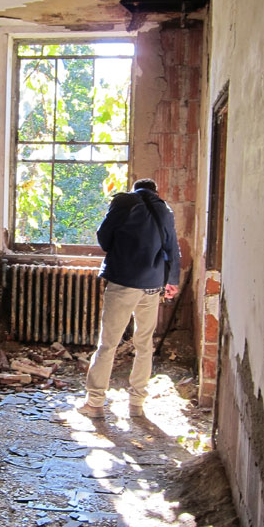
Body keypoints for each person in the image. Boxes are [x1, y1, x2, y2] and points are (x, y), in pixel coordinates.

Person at [77, 178, 181, 419]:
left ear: (136, 189)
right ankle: (136, 404)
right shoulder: (164, 209)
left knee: (108, 344)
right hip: (153, 285)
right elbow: (172, 248)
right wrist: (171, 281)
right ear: (156, 191)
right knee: (145, 344)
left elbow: (103, 239)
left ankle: (95, 402)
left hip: (124, 281)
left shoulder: (124, 202)